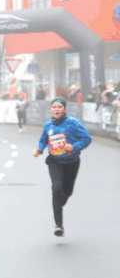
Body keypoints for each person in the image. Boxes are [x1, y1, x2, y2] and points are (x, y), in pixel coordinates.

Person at [32, 98, 91, 237]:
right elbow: (43, 140)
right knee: (56, 188)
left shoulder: (73, 123)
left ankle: (60, 201)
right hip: (55, 161)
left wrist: (74, 146)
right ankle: (59, 225)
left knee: (67, 191)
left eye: (59, 107)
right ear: (51, 109)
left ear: (64, 109)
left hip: (72, 161)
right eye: (54, 107)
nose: (57, 109)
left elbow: (87, 138)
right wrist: (39, 149)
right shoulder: (48, 125)